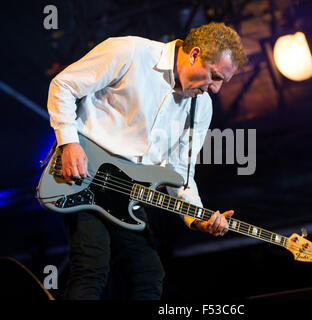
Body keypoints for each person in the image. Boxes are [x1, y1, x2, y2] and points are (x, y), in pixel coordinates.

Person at [47, 22, 247, 300]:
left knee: (148, 275)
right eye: (214, 76)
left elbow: (180, 171)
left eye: (222, 81)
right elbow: (63, 86)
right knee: (92, 264)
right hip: (85, 175)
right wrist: (69, 143)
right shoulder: (130, 52)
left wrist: (197, 217)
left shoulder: (201, 107)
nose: (216, 89)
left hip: (128, 196)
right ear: (194, 54)